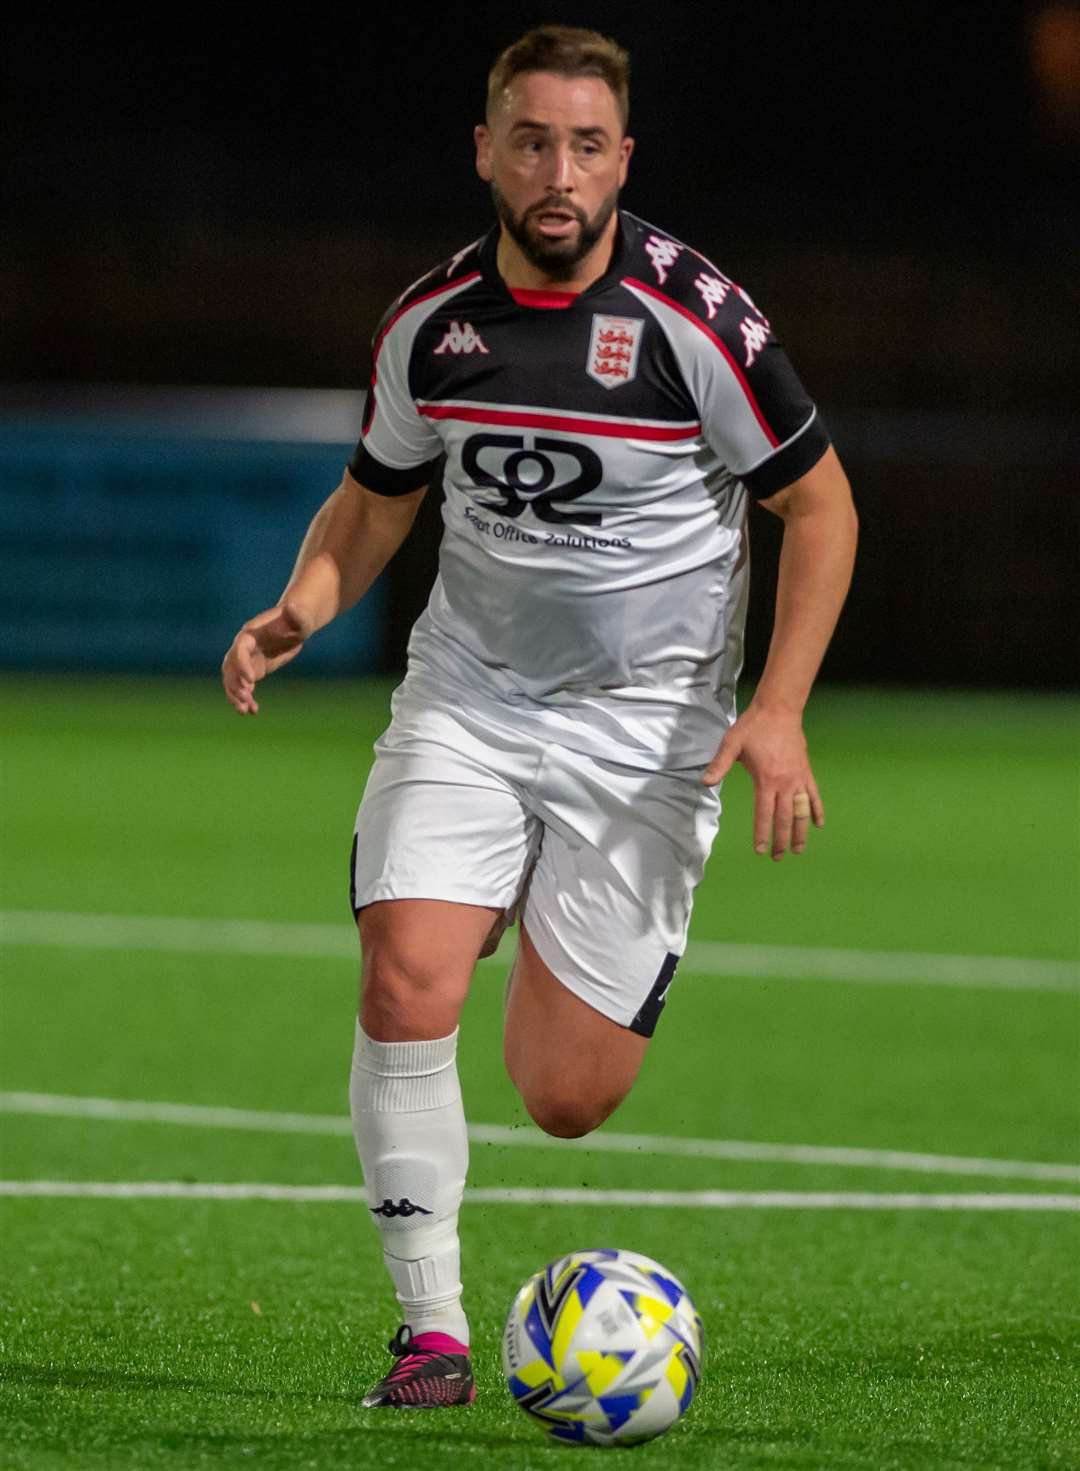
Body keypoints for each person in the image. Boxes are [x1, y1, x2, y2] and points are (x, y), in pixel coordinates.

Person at [221, 24, 857, 1409]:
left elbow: (820, 504)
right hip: (473, 698)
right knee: (405, 978)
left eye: (584, 144)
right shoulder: (431, 326)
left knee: (566, 1095)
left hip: (647, 732)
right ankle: (433, 1332)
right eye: (530, 139)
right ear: (485, 151)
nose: (556, 171)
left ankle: (521, 902)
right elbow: (379, 493)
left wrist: (784, 709)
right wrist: (304, 601)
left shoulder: (696, 323)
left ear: (623, 157)